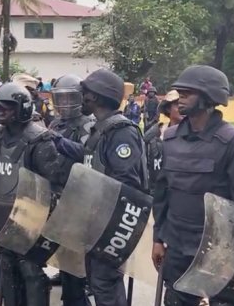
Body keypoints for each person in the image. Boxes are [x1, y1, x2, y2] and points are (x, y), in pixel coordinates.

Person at [152, 65, 234, 306]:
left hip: (217, 253)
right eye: (179, 92)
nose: (180, 98)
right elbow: (162, 195)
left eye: (187, 93)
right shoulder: (169, 139)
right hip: (177, 249)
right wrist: (158, 238)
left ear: (209, 98)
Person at [52, 69, 145, 306]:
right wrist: (56, 140)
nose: (82, 98)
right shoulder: (99, 130)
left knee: (106, 286)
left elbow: (128, 187)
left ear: (99, 97)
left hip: (110, 228)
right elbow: (87, 159)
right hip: (94, 225)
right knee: (98, 283)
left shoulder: (121, 132)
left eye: (86, 94)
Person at [0, 83, 73, 306]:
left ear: (22, 108)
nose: (1, 111)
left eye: (7, 106)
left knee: (29, 269)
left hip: (32, 219)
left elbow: (54, 184)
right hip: (3, 216)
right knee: (7, 267)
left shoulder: (39, 139)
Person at [48, 73, 95, 304]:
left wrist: (57, 140)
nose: (65, 104)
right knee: (63, 256)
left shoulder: (89, 124)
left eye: (69, 98)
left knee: (75, 261)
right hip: (55, 194)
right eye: (61, 99)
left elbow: (86, 153)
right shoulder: (56, 123)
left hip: (77, 197)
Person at [143, 89, 181, 196]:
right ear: (168, 108)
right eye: (178, 105)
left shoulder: (194, 135)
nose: (183, 109)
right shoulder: (154, 134)